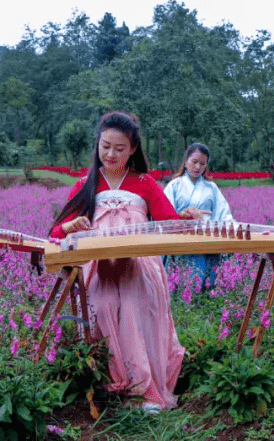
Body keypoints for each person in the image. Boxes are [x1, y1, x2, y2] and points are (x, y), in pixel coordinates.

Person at [51, 112, 185, 413]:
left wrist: (186, 217)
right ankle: (108, 387)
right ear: (97, 143)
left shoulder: (144, 183)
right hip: (101, 268)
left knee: (137, 310)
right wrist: (70, 228)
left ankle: (145, 391)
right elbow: (55, 232)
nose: (110, 154)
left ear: (133, 149)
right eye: (105, 146)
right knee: (106, 306)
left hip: (139, 267)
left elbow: (170, 222)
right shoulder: (86, 185)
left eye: (120, 149)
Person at [163, 143, 234, 292]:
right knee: (187, 286)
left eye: (202, 163)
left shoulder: (211, 187)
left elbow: (223, 214)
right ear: (186, 160)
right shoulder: (174, 186)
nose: (197, 167)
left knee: (211, 287)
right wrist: (183, 216)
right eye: (194, 161)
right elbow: (165, 216)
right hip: (183, 241)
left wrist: (232, 230)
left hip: (208, 240)